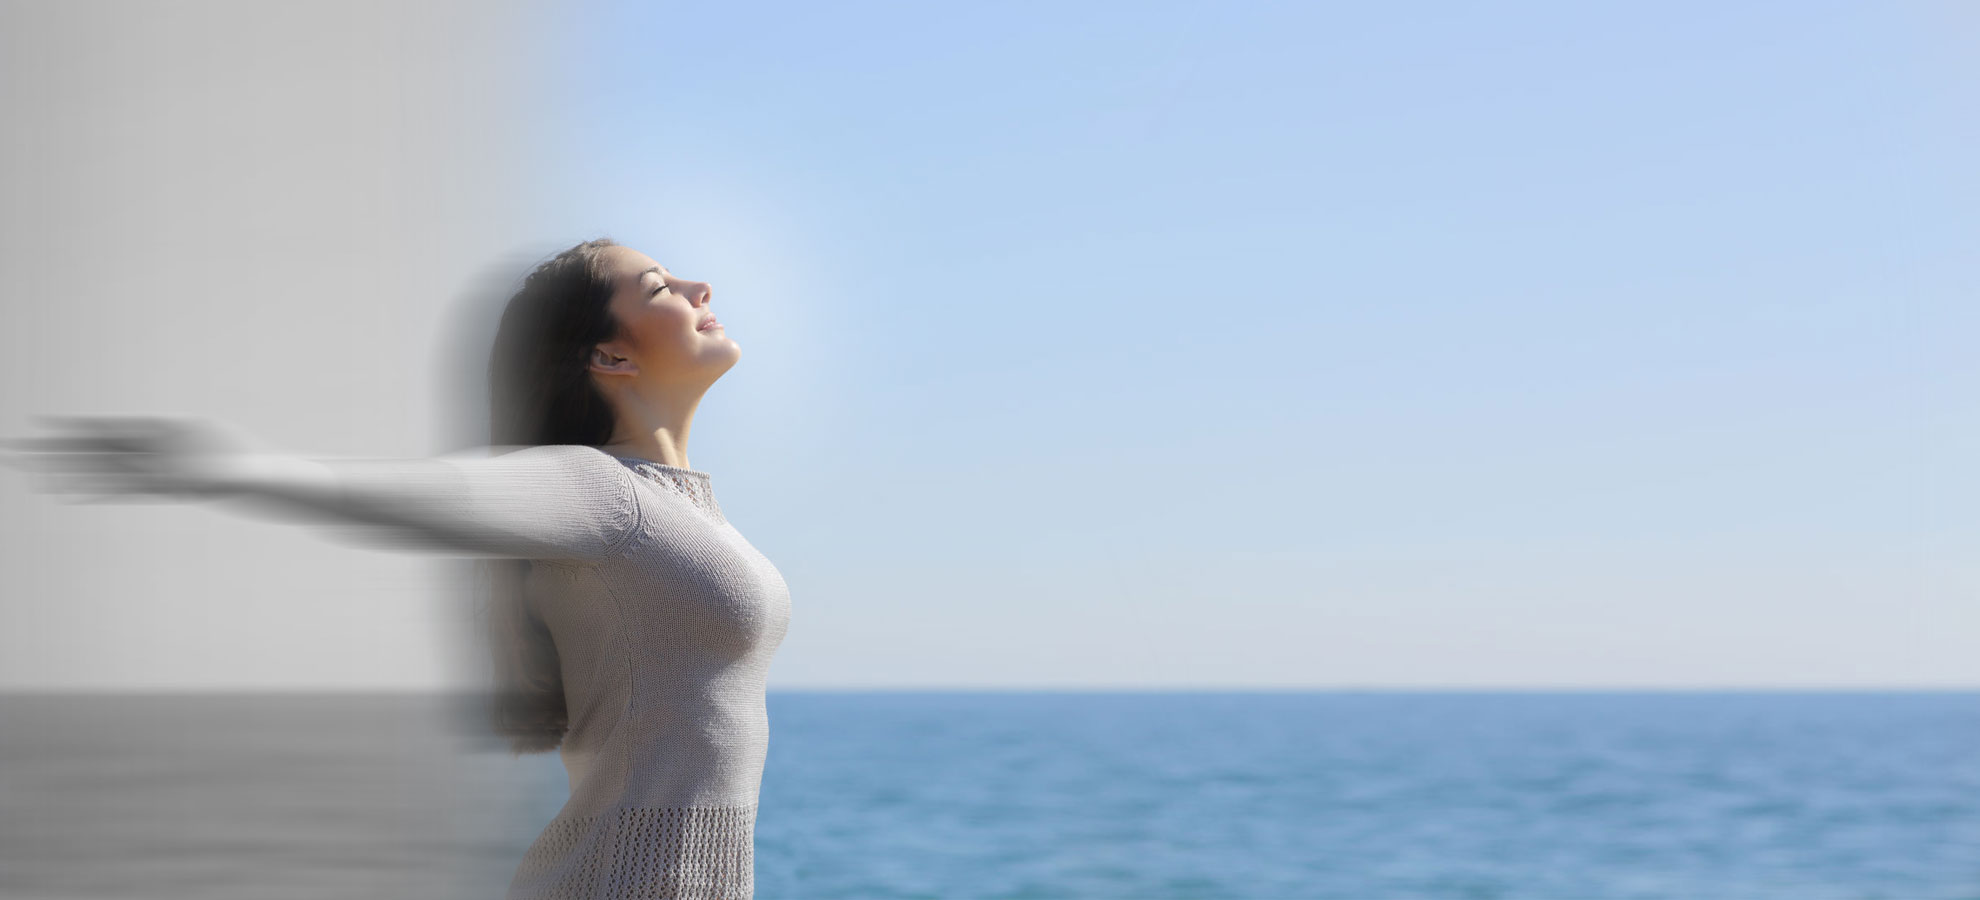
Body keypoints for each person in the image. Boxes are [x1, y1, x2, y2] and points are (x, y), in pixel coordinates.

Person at [3, 238, 792, 900]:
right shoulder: (598, 491)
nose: (699, 286)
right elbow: (438, 494)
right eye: (660, 285)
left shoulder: (678, 512)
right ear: (608, 352)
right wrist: (236, 468)